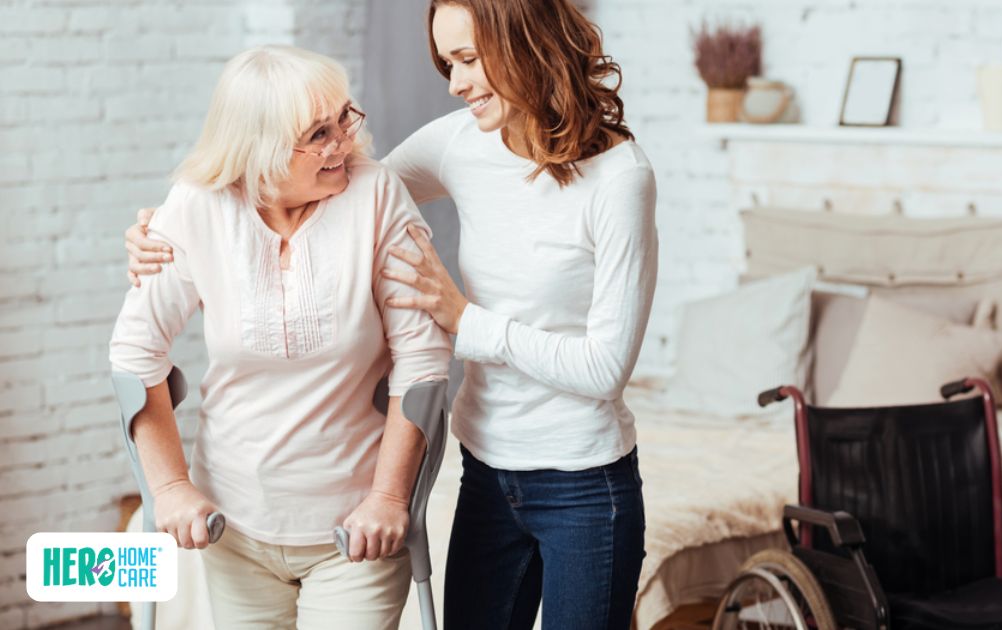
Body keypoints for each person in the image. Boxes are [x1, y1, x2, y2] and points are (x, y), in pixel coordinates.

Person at [125, 1, 657, 627]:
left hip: (583, 479)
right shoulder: (459, 142)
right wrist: (167, 228)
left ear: (525, 45)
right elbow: (345, 186)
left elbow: (605, 370)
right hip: (486, 469)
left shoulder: (621, 178)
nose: (455, 85)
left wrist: (463, 319)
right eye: (446, 64)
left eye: (466, 60)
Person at [110, 45, 450, 629]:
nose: (342, 142)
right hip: (234, 524)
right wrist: (169, 487)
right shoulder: (198, 207)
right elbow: (135, 353)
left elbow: (422, 362)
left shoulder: (376, 196)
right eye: (318, 133)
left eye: (345, 118)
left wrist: (390, 500)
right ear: (259, 149)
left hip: (354, 530)